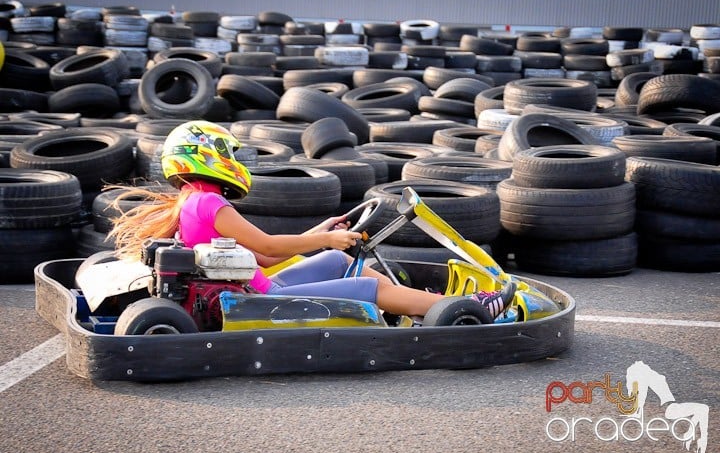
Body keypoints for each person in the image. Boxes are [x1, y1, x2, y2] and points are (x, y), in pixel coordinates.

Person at [108, 120, 515, 318]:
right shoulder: (209, 205)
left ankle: (421, 307)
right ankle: (458, 310)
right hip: (257, 299)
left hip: (258, 283)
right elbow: (267, 247)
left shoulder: (192, 201)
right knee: (362, 283)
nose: (233, 163)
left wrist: (320, 233)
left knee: (345, 262)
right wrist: (324, 240)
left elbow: (266, 259)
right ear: (207, 156)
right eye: (228, 155)